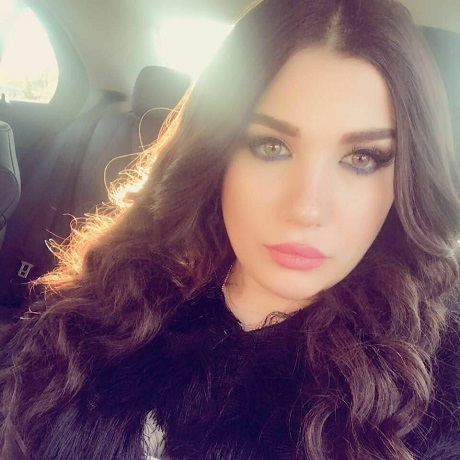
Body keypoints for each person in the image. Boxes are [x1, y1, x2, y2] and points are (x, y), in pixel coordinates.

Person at [1, 0, 460, 458]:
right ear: (217, 151)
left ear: (407, 177)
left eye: (362, 158)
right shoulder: (107, 301)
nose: (306, 208)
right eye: (271, 146)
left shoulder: (435, 390)